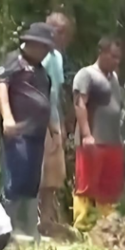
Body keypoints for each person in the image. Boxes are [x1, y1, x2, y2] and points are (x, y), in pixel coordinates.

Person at [0, 23, 55, 242]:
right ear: (32, 43)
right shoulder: (14, 61)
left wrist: (51, 129)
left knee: (32, 181)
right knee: (15, 180)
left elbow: (44, 101)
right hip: (18, 131)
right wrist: (8, 118)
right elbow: (1, 85)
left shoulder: (41, 71)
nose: (46, 51)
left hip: (37, 134)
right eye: (43, 47)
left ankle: (30, 230)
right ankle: (7, 230)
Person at [71, 37, 125, 233]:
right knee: (86, 186)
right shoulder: (86, 75)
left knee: (109, 188)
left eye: (119, 58)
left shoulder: (114, 78)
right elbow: (80, 103)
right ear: (101, 53)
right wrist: (86, 135)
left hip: (112, 140)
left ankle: (106, 229)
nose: (116, 61)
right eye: (113, 56)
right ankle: (82, 227)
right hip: (93, 140)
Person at [38, 13, 74, 227]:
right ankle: (29, 219)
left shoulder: (58, 57)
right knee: (36, 172)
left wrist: (59, 120)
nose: (65, 40)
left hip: (53, 118)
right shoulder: (38, 56)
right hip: (37, 120)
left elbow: (55, 91)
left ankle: (47, 219)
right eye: (64, 34)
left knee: (53, 173)